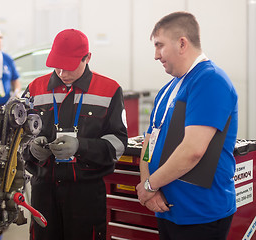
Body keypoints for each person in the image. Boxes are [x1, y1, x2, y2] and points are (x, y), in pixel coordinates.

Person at [135, 12, 238, 240]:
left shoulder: (210, 81)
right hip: (167, 208)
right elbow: (149, 142)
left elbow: (193, 150)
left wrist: (150, 185)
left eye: (159, 45)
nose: (155, 55)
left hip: (201, 213)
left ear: (182, 43)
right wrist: (147, 186)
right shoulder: (166, 90)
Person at [22, 29, 128, 240]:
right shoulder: (35, 89)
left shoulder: (109, 90)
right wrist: (31, 149)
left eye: (69, 66)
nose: (62, 73)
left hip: (85, 194)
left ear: (87, 58)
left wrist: (81, 146)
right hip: (44, 191)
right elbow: (19, 137)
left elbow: (117, 143)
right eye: (57, 66)